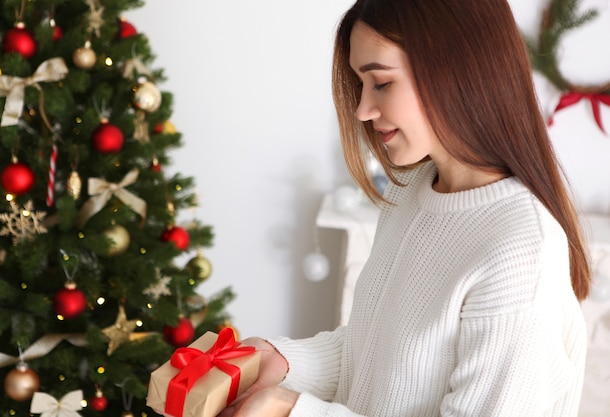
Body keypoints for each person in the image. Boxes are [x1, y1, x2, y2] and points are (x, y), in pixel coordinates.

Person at [219, 0, 591, 416]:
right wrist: (281, 360)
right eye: (361, 84)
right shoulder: (411, 192)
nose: (362, 109)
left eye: (380, 82)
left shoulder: (519, 248)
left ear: (456, 72)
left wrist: (294, 411)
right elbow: (378, 353)